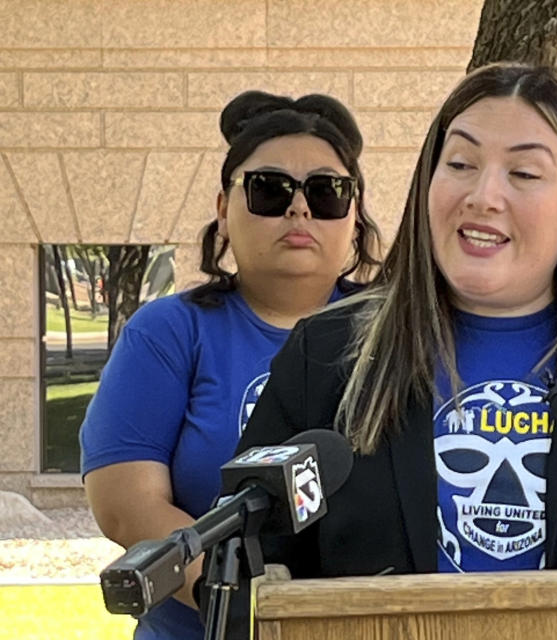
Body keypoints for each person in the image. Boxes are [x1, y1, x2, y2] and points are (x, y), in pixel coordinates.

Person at [237, 63, 557, 580]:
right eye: (462, 164)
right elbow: (249, 564)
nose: (483, 197)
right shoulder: (327, 354)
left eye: (524, 173)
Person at [80, 90, 381, 640]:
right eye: (269, 190)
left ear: (355, 215)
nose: (299, 209)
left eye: (327, 191)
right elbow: (127, 506)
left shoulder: (400, 335)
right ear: (223, 208)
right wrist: (252, 607)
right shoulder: (169, 333)